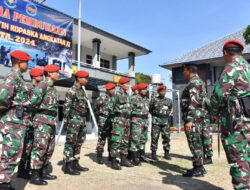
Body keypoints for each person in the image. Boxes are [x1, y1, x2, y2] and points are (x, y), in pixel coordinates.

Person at [210, 40, 250, 190]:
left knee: (238, 159)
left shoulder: (231, 68)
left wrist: (214, 113)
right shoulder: (248, 67)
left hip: (236, 121)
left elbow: (218, 95)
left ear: (226, 53)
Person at [0, 50, 32, 190]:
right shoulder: (13, 76)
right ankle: (3, 184)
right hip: (12, 122)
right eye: (27, 61)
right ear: (20, 62)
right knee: (10, 154)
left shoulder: (19, 77)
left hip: (18, 122)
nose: (28, 64)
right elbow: (3, 98)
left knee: (13, 154)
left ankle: (5, 182)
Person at [29, 64, 60, 185]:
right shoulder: (43, 85)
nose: (58, 74)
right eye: (56, 72)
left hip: (51, 120)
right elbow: (33, 102)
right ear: (50, 74)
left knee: (49, 148)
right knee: (40, 146)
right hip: (42, 120)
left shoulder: (52, 87)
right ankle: (35, 175)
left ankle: (44, 171)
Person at [17, 68, 44, 180]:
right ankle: (22, 170)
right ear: (34, 77)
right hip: (28, 122)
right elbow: (24, 103)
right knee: (27, 147)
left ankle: (28, 167)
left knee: (33, 146)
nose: (42, 77)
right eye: (40, 75)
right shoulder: (28, 88)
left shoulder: (38, 88)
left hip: (35, 122)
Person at [181, 62, 206, 177]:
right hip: (197, 117)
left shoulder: (193, 83)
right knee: (197, 143)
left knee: (194, 143)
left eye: (184, 70)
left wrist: (189, 119)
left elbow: (193, 101)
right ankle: (198, 166)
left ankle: (198, 169)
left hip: (193, 118)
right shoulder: (199, 81)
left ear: (189, 70)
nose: (183, 73)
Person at [62, 70, 89, 175]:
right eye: (85, 78)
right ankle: (68, 166)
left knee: (79, 142)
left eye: (87, 78)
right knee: (70, 143)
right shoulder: (71, 91)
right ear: (78, 78)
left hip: (82, 120)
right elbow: (66, 108)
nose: (86, 80)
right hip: (73, 120)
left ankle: (75, 163)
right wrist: (66, 122)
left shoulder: (82, 91)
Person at [110, 77, 134, 170]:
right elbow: (110, 108)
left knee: (125, 141)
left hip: (127, 121)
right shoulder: (116, 94)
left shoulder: (128, 95)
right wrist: (115, 119)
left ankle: (123, 159)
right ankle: (114, 161)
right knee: (116, 141)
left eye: (128, 84)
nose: (128, 85)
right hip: (119, 121)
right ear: (121, 85)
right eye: (126, 84)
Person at [150, 85, 172, 161]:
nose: (163, 92)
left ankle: (166, 153)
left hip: (165, 121)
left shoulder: (169, 100)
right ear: (158, 92)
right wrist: (156, 116)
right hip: (156, 121)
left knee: (166, 137)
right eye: (162, 91)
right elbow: (150, 109)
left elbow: (170, 109)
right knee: (154, 137)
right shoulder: (154, 100)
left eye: (164, 91)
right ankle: (153, 153)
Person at [95, 83, 116, 164]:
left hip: (113, 121)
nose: (113, 90)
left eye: (113, 89)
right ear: (107, 90)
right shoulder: (101, 98)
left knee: (111, 139)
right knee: (101, 139)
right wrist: (100, 119)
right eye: (111, 89)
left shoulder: (115, 98)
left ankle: (111, 156)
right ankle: (99, 156)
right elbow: (96, 110)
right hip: (103, 120)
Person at [130, 83, 150, 165]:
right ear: (139, 90)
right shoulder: (133, 98)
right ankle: (135, 158)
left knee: (143, 139)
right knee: (135, 140)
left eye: (146, 89)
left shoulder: (146, 99)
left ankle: (142, 156)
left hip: (145, 121)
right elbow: (129, 110)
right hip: (137, 122)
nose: (145, 91)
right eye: (144, 89)